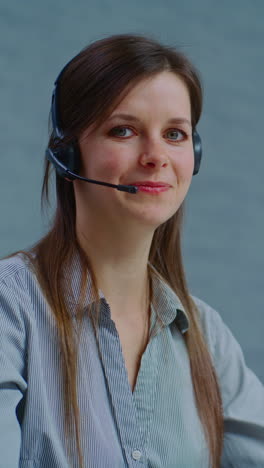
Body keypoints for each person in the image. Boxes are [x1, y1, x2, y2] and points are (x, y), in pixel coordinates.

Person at [0, 34, 263, 468]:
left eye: (175, 134)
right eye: (124, 130)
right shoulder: (11, 307)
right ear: (68, 154)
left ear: (194, 155)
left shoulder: (204, 336)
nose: (156, 155)